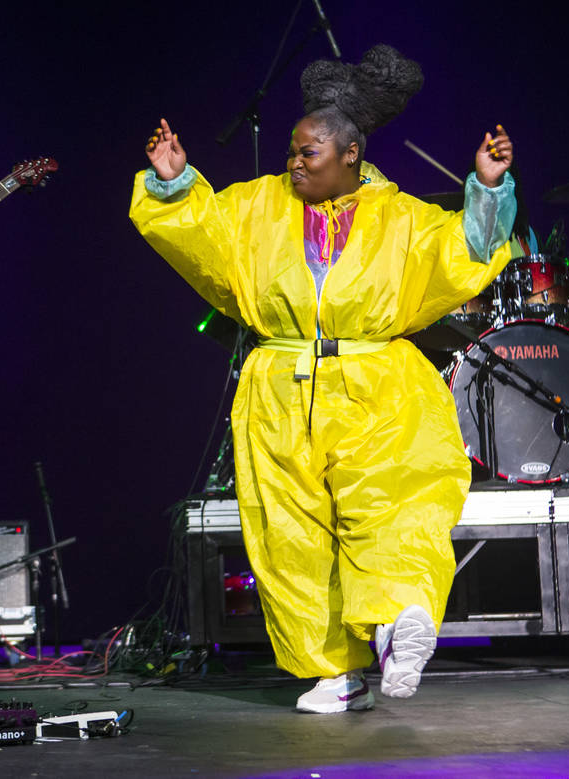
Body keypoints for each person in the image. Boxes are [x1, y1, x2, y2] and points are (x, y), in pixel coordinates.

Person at [130, 45, 516, 714]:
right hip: (280, 385)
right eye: (291, 150)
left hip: (377, 384)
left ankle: (400, 621)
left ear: (349, 155)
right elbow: (204, 235)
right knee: (290, 534)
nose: (294, 161)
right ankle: (335, 670)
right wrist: (173, 183)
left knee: (392, 506)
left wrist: (485, 190)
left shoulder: (402, 217)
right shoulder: (257, 207)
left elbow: (467, 253)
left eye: (308, 152)